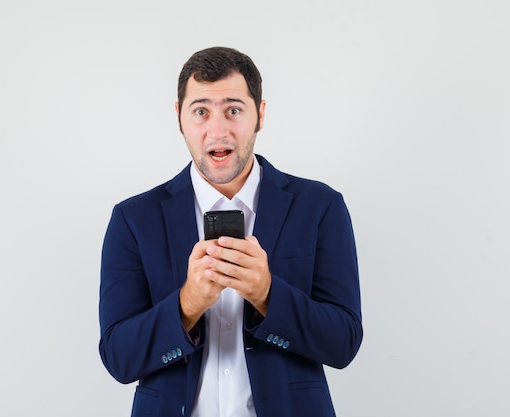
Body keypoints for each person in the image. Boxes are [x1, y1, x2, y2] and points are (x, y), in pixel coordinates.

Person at [99, 46, 363, 417]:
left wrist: (268, 294)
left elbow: (343, 343)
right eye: (201, 111)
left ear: (260, 114)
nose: (218, 130)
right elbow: (118, 358)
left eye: (234, 110)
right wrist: (188, 303)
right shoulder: (133, 218)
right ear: (180, 118)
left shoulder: (320, 207)